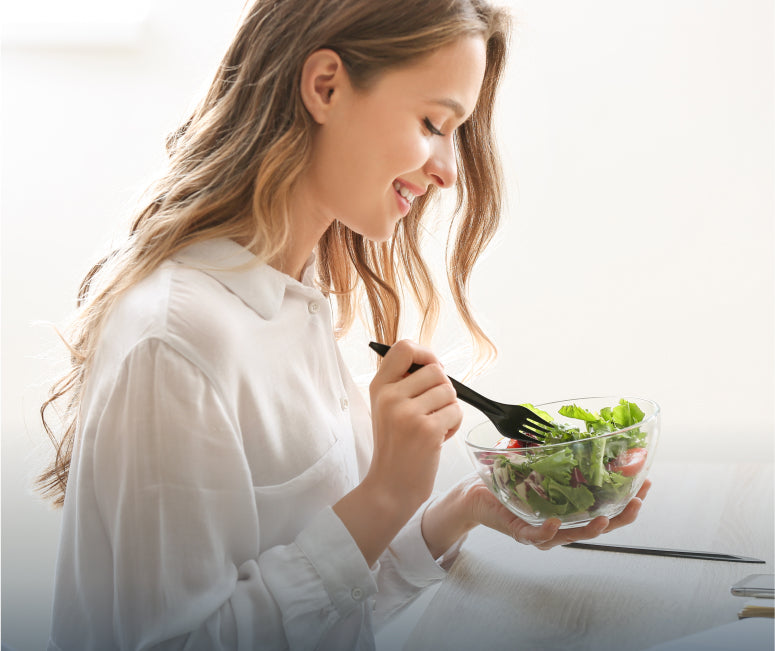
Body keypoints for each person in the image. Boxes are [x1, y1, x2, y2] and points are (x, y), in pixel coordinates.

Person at [38, 1, 651, 649]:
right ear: (324, 86)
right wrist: (385, 493)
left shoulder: (300, 303)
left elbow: (319, 608)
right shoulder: (177, 339)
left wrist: (455, 513)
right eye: (432, 123)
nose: (447, 170)